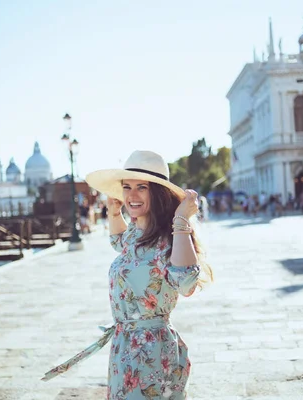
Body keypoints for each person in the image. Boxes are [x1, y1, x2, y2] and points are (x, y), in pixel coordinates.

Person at [42, 150, 213, 399]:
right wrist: (114, 212)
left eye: (141, 187)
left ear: (157, 192)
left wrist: (181, 220)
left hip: (152, 351)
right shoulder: (136, 233)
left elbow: (186, 283)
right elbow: (119, 242)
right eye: (127, 187)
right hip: (124, 347)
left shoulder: (170, 238)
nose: (131, 195)